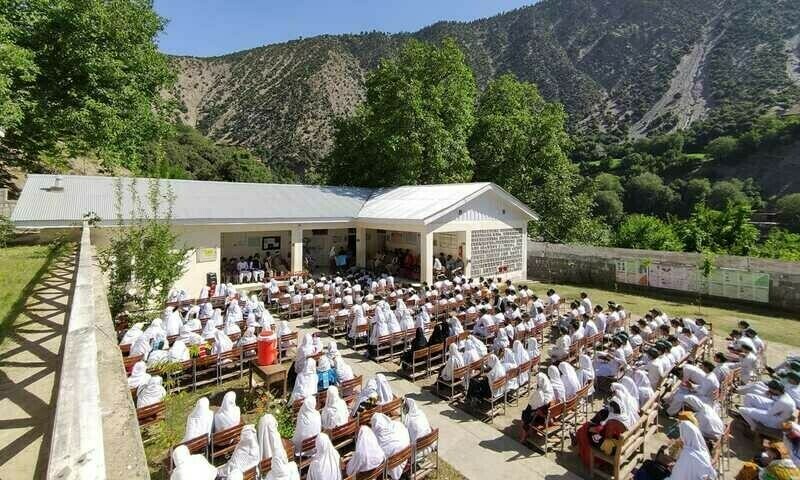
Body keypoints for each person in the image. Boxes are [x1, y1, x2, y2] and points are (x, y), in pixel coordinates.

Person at [576, 398, 635, 469]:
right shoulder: (625, 417)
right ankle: (577, 439)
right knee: (590, 430)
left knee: (586, 431)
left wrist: (592, 429)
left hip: (614, 449)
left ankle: (591, 460)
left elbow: (608, 437)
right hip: (623, 443)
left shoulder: (612, 422)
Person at [371, 413, 412, 480]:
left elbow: (376, 459)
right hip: (404, 459)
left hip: (390, 467)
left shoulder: (380, 440)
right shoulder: (399, 426)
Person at [520, 373, 554, 442]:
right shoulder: (550, 389)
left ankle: (524, 436)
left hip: (539, 416)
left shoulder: (539, 393)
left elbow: (532, 406)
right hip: (547, 414)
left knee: (525, 414)